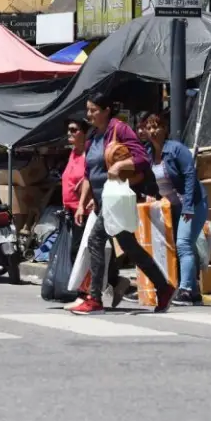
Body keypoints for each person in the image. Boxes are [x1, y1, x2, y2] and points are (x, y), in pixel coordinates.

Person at [70, 92, 174, 315]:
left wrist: (120, 165)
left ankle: (95, 298)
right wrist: (82, 203)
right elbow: (89, 174)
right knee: (130, 247)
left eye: (93, 110)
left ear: (107, 110)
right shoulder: (92, 137)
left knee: (95, 240)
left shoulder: (119, 129)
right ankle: (164, 287)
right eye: (87, 110)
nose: (89, 114)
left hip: (115, 200)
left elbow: (142, 158)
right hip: (101, 201)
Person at [141, 112, 208, 305]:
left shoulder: (177, 149)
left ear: (165, 129)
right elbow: (148, 179)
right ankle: (194, 292)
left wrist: (188, 207)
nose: (153, 131)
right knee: (183, 246)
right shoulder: (147, 153)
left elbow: (189, 177)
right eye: (149, 127)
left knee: (183, 244)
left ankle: (185, 290)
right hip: (172, 207)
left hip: (193, 203)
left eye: (157, 126)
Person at [58, 118, 90, 280]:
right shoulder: (73, 153)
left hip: (83, 210)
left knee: (77, 251)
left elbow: (91, 178)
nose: (69, 133)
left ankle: (82, 290)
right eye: (69, 130)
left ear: (84, 133)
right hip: (70, 210)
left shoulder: (88, 154)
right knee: (77, 250)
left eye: (74, 130)